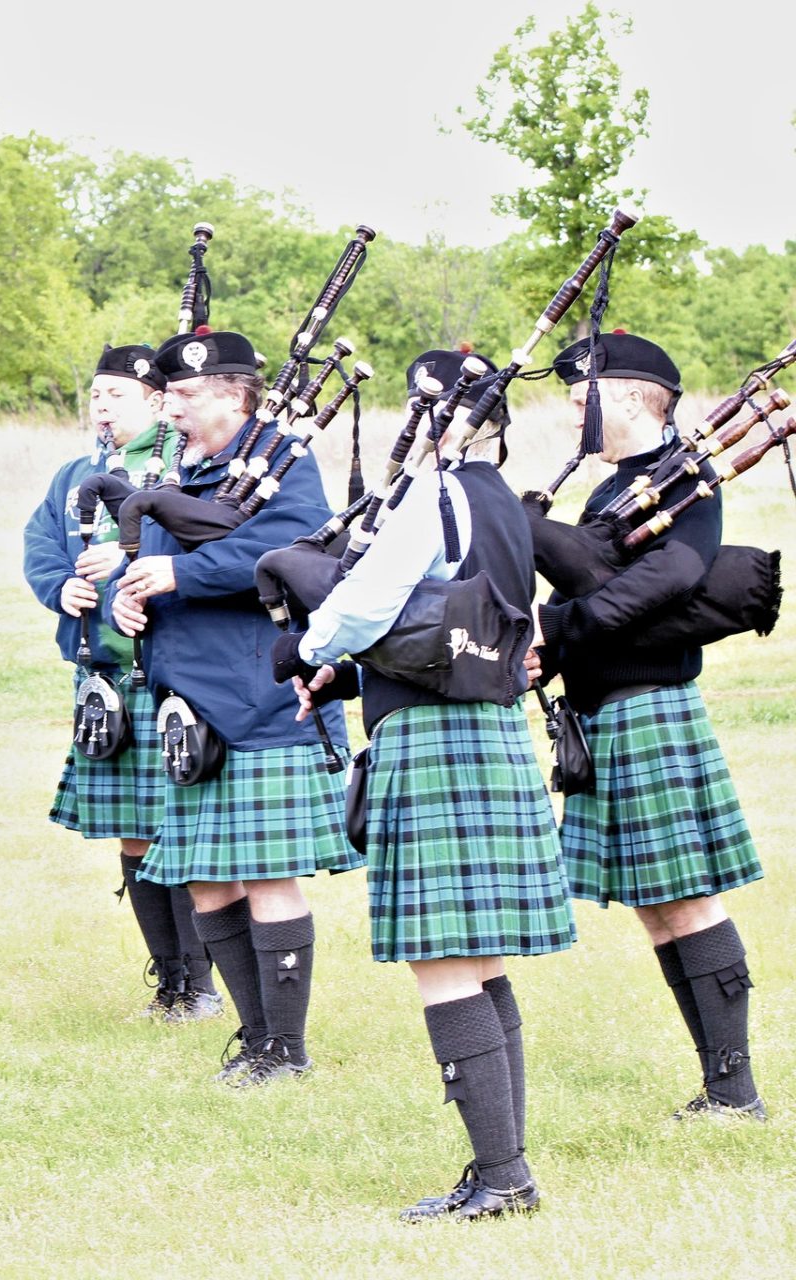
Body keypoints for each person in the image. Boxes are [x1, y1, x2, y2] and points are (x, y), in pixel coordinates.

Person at [282, 351, 573, 1220]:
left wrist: (309, 648)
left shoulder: (436, 495)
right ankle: (505, 1166)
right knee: (478, 961)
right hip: (488, 729)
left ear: (440, 416)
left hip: (435, 736)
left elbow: (370, 606)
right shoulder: (506, 508)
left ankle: (503, 1176)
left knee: (443, 960)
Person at [110, 328, 355, 1086]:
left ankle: (286, 1046)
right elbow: (153, 560)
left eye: (183, 395)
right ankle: (255, 1039)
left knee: (268, 874)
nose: (170, 408)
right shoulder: (184, 467)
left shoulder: (284, 464)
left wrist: (176, 577)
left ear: (232, 394)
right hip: (187, 701)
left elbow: (291, 551)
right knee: (208, 878)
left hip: (259, 697)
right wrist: (132, 601)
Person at [535, 332, 766, 1120]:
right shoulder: (621, 486)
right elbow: (606, 581)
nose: (573, 415)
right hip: (609, 711)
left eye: (580, 398)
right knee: (656, 904)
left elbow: (674, 576)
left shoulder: (687, 478)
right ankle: (719, 1085)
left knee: (689, 898)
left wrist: (561, 629)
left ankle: (736, 1091)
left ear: (629, 395)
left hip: (650, 709)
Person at [23, 344, 221, 1022]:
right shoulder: (76, 474)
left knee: (180, 826)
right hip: (103, 672)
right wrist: (61, 588)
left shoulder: (186, 469)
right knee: (134, 833)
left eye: (116, 395)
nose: (102, 407)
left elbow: (208, 550)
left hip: (171, 671)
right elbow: (42, 544)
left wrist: (137, 556)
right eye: (96, 395)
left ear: (155, 401)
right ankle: (169, 982)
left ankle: (201, 982)